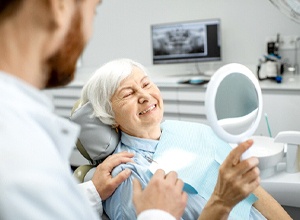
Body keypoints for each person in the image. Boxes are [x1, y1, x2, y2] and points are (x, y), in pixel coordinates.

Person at [0, 1, 187, 219]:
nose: (144, 96)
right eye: (94, 9)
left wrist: (92, 191)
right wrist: (157, 214)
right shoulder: (16, 152)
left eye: (146, 84)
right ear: (59, 6)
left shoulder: (20, 133)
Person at [80, 58, 291, 220]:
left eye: (146, 84)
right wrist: (221, 201)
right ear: (109, 115)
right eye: (127, 94)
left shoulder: (194, 131)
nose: (144, 96)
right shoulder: (126, 176)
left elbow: (253, 191)